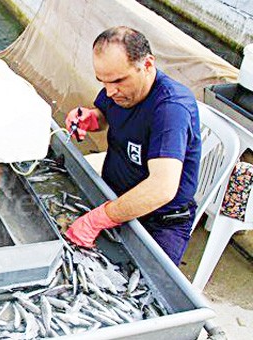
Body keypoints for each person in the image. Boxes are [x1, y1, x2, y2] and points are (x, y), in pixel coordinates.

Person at [64, 26, 201, 265]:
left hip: (159, 221)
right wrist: (90, 118)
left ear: (147, 65)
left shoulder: (170, 108)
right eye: (103, 82)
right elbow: (105, 115)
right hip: (113, 196)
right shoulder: (117, 89)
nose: (110, 91)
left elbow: (162, 188)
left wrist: (97, 219)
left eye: (118, 80)